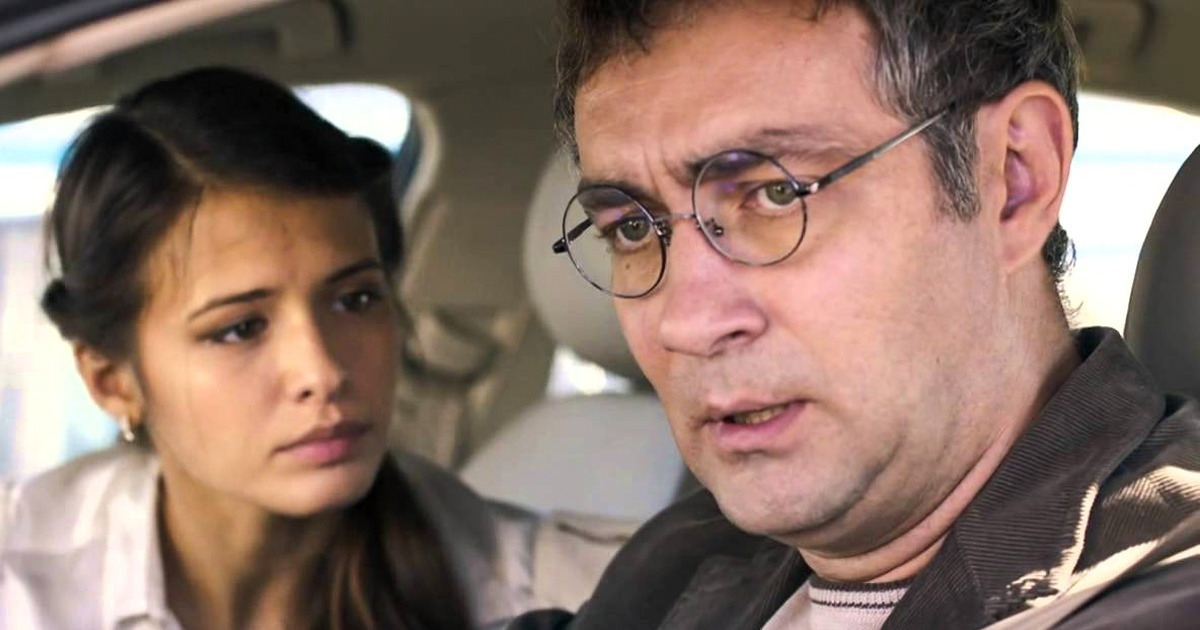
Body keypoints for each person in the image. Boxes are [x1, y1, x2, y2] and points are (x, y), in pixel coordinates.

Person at [512, 0, 1200, 628]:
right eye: (632, 228)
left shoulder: (1170, 590)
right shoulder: (685, 560)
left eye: (775, 193)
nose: (684, 324)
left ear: (1014, 179)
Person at [0, 67, 540, 630]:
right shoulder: (20, 588)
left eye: (355, 299)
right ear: (112, 383)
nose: (322, 371)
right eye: (239, 329)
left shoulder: (542, 593)